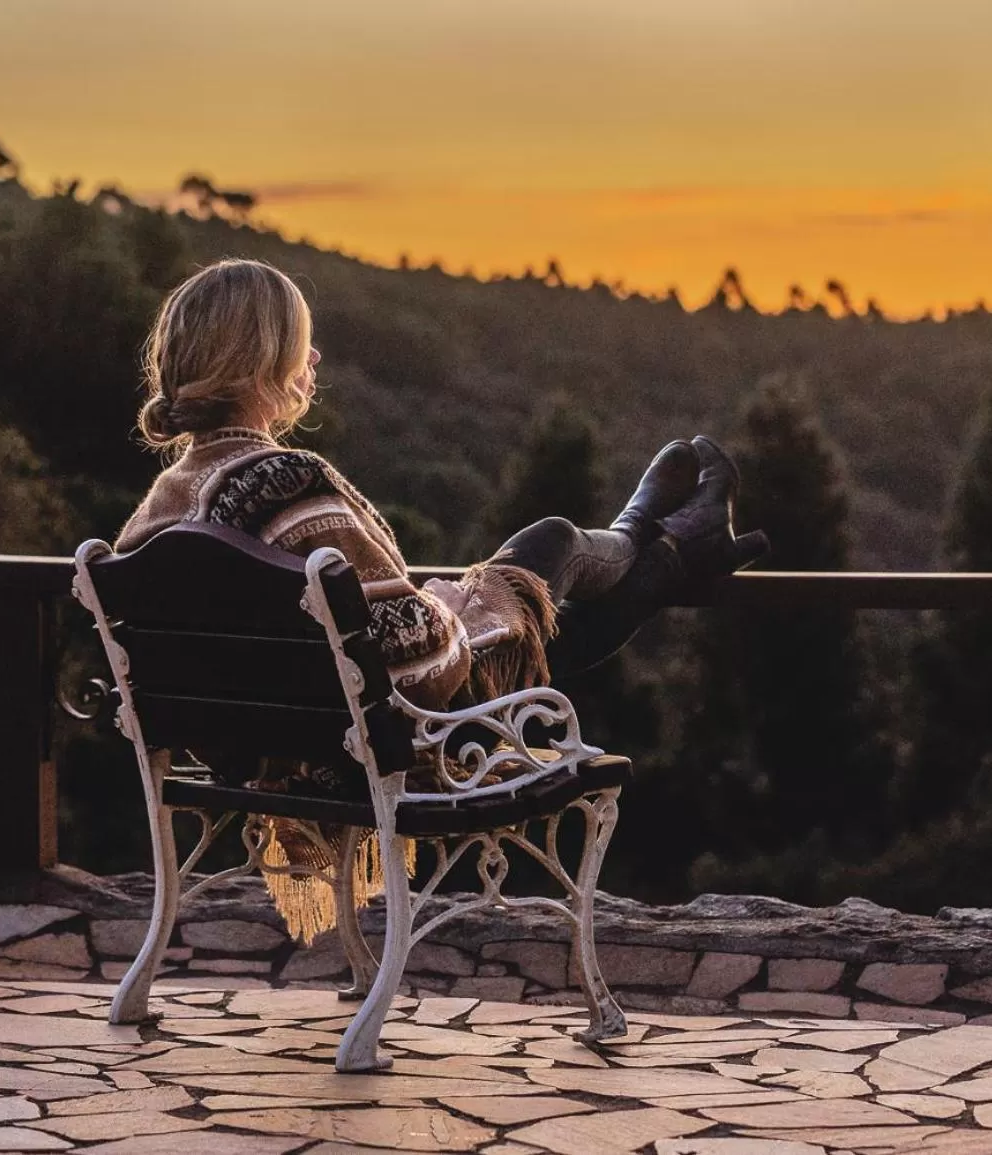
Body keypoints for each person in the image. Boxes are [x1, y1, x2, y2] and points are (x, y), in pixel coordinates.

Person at [115, 258, 765, 937]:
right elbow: (415, 659)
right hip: (385, 741)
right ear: (266, 361)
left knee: (533, 596)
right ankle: (656, 538)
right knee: (550, 544)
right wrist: (450, 606)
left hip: (266, 745)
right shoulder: (286, 486)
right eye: (302, 344)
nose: (315, 358)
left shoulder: (161, 507)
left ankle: (673, 546)